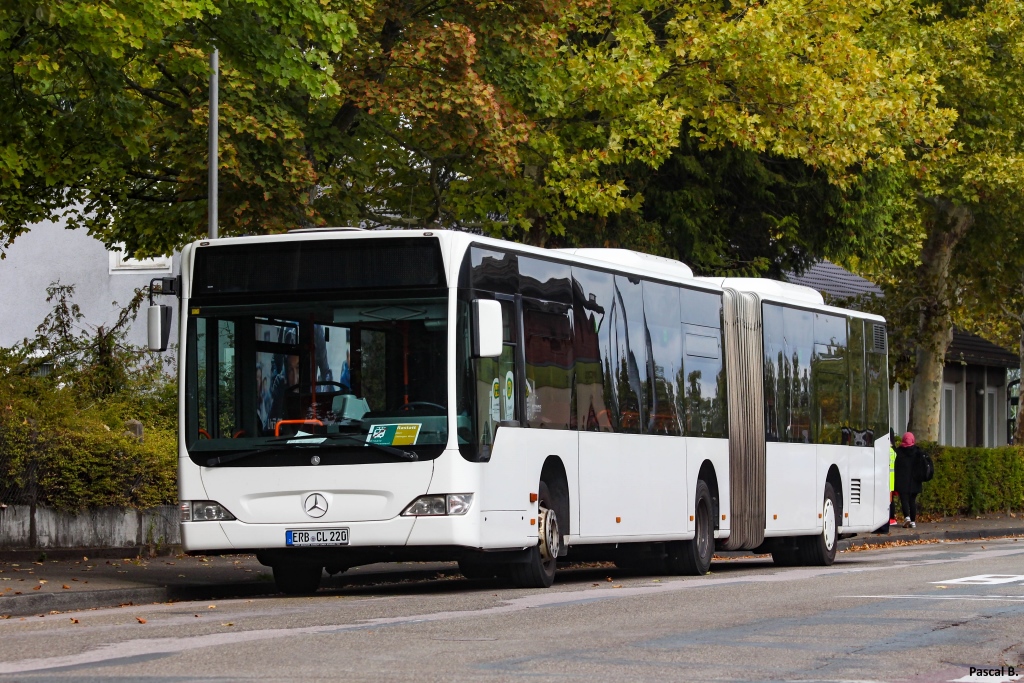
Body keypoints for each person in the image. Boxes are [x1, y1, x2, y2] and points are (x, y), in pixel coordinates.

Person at [894, 432, 925, 528]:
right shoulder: (918, 452)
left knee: (904, 500)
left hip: (902, 480)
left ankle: (906, 517)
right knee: (912, 501)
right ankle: (913, 521)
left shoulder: (898, 451)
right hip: (915, 481)